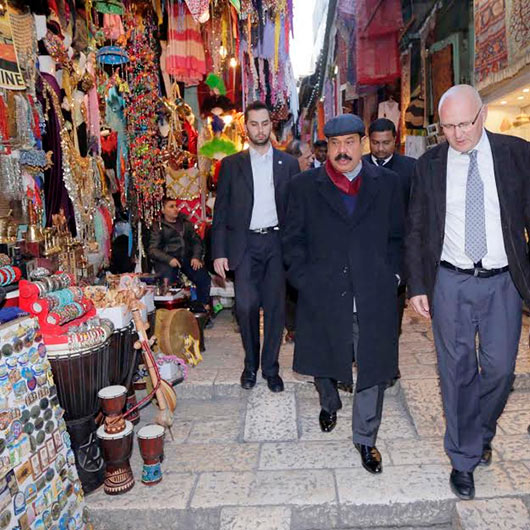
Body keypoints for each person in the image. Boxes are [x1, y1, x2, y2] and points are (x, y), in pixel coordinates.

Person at [405, 84, 530, 501]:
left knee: (499, 371)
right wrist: (418, 285)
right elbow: (417, 227)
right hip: (451, 281)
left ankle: (478, 431)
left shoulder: (516, 154)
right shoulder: (430, 165)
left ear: (484, 116)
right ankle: (463, 459)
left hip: (503, 280)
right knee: (456, 373)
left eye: (465, 124)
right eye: (448, 127)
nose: (458, 134)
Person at [283, 114, 404, 474]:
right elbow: (292, 241)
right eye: (334, 144)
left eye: (350, 142)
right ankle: (328, 400)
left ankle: (366, 438)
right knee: (325, 355)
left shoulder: (388, 184)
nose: (342, 151)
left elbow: (398, 236)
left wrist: (394, 275)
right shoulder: (305, 186)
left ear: (363, 144)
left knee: (372, 364)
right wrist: (304, 279)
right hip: (324, 291)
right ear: (326, 148)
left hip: (372, 292)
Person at [212, 101, 300, 392]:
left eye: (264, 123)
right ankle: (251, 364)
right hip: (245, 244)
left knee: (275, 309)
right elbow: (220, 212)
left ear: (271, 126)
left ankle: (271, 368)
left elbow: (298, 212)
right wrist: (219, 252)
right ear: (245, 127)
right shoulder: (231, 165)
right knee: (246, 306)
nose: (260, 129)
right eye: (254, 124)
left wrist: (299, 250)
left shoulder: (288, 164)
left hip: (276, 243)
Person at [363, 118, 416, 336]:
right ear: (369, 142)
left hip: (397, 248)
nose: (381, 148)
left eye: (386, 142)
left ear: (395, 140)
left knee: (394, 307)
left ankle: (390, 361)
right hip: (366, 248)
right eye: (376, 143)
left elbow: (416, 206)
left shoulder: (410, 168)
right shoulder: (359, 165)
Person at [148, 197, 211, 311]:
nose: (176, 209)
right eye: (171, 207)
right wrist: (168, 259)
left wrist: (196, 257)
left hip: (186, 259)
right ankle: (172, 312)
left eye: (176, 206)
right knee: (169, 281)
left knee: (203, 277)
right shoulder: (159, 226)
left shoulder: (185, 223)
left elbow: (197, 242)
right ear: (163, 210)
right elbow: (153, 250)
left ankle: (202, 307)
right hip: (168, 260)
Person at [283, 139, 313, 343]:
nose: (311, 160)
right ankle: (293, 327)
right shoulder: (286, 182)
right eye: (307, 157)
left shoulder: (310, 180)